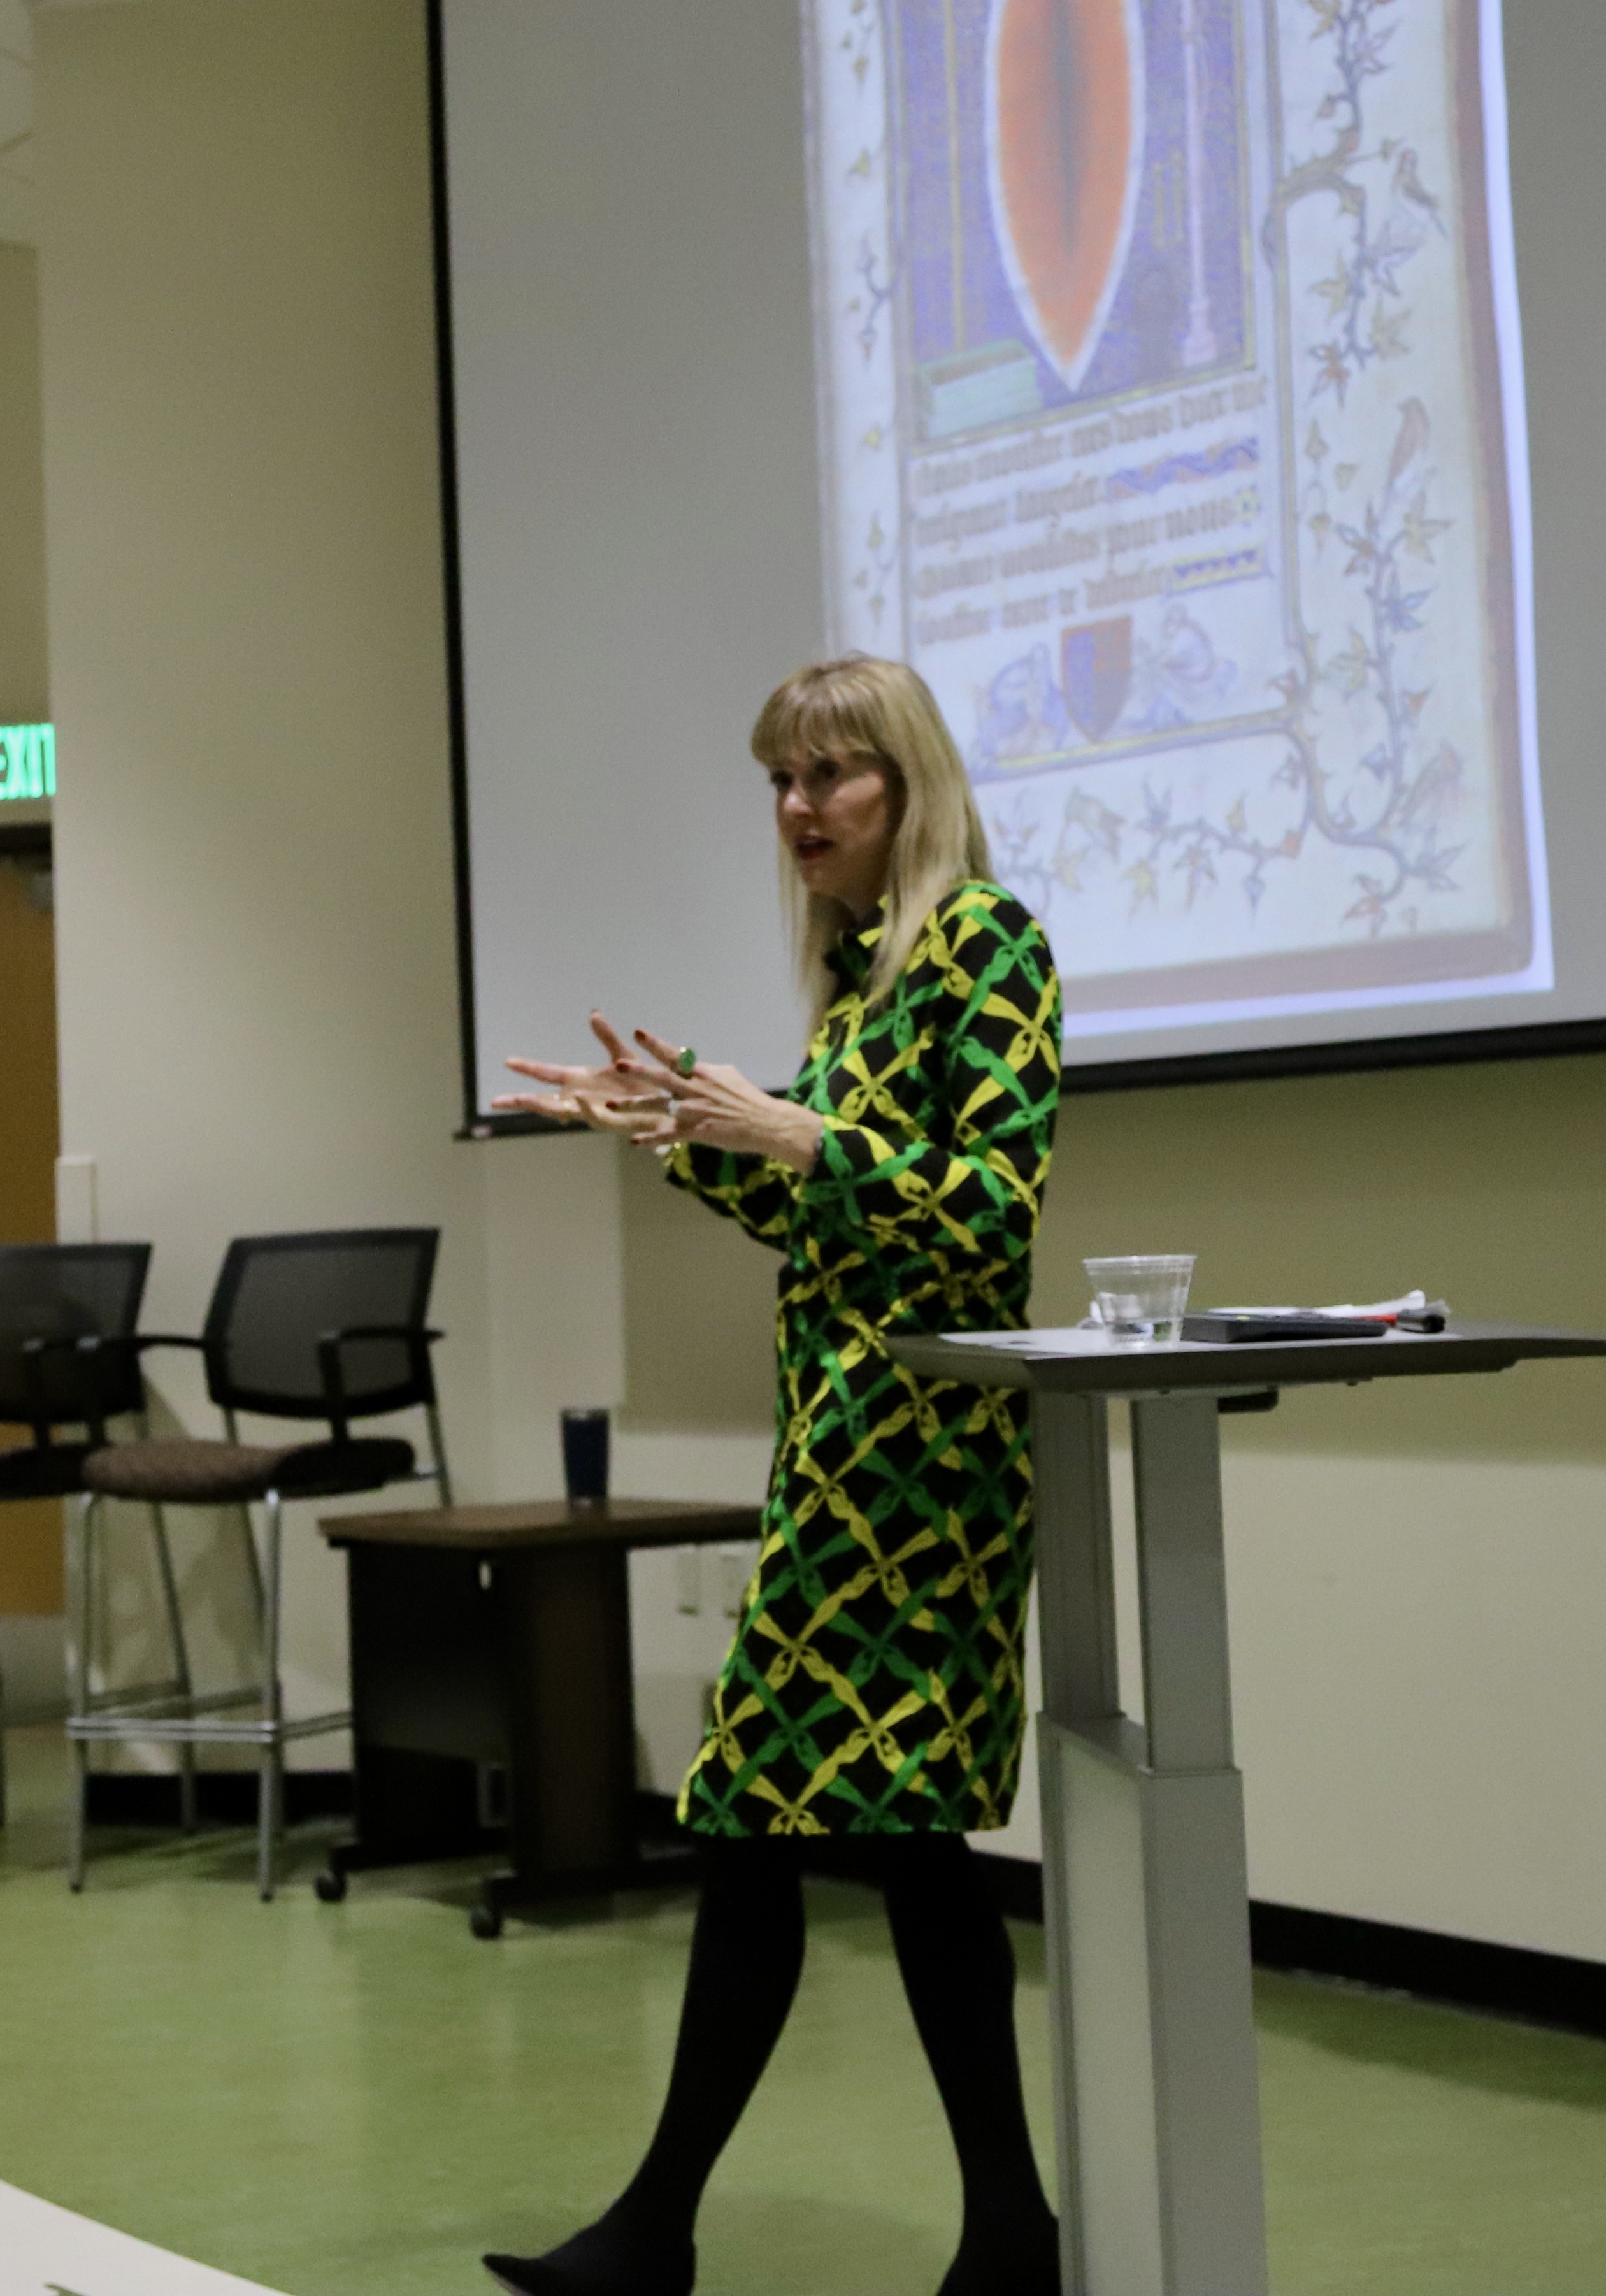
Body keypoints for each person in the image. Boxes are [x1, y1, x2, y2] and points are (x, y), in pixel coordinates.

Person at [487, 654, 1065, 2296]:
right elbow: (825, 1215)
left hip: (931, 1474)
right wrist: (677, 1129)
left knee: (789, 1823)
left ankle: (672, 2233)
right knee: (873, 1838)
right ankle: (995, 2236)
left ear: (908, 784)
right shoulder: (864, 975)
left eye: (829, 777)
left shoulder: (987, 944)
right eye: (780, 783)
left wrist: (803, 1134)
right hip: (844, 1454)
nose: (799, 809)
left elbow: (991, 1208)